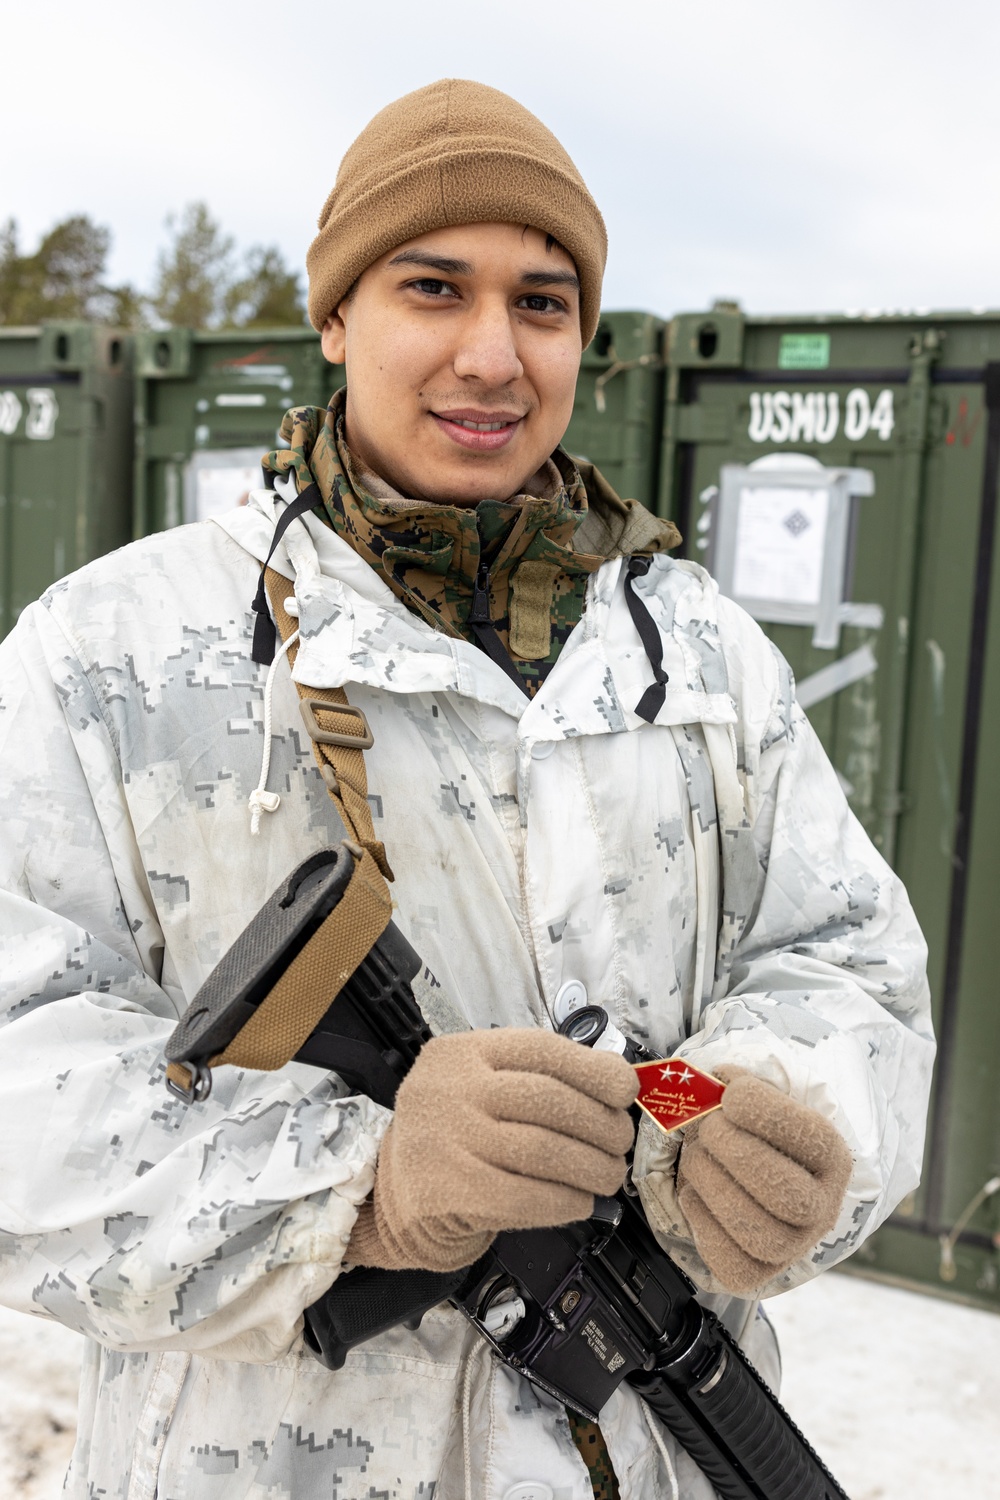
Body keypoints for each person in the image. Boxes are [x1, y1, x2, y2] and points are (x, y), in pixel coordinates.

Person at [0, 79, 933, 1500]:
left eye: (543, 303)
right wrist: (360, 1185)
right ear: (335, 316)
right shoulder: (111, 652)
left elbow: (851, 970)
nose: (492, 355)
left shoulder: (700, 655)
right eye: (434, 288)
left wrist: (779, 1115)